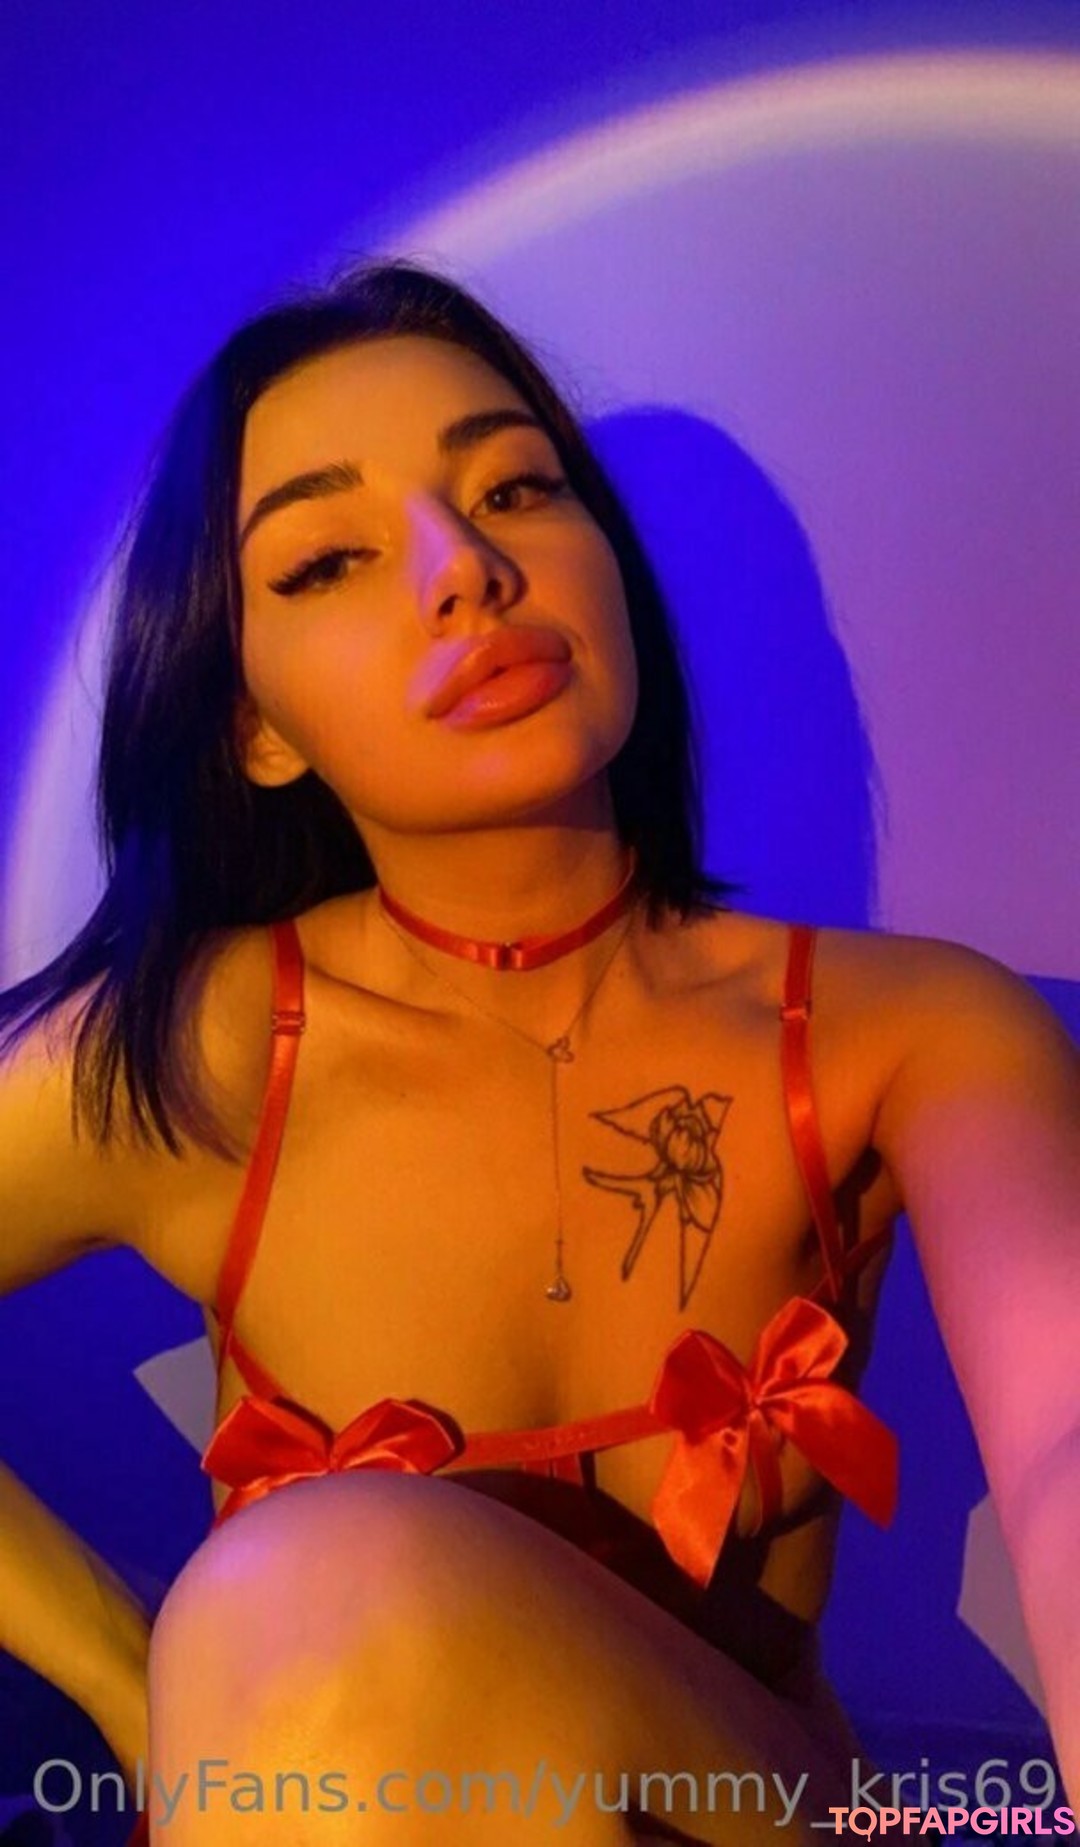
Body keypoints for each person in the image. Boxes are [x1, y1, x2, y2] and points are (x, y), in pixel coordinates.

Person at [0, 259, 1076, 1845]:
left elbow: (1066, 1442)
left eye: (515, 488)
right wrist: (127, 1680)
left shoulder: (903, 1031)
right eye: (330, 560)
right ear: (253, 727)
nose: (466, 573)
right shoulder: (195, 1055)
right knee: (305, 1607)